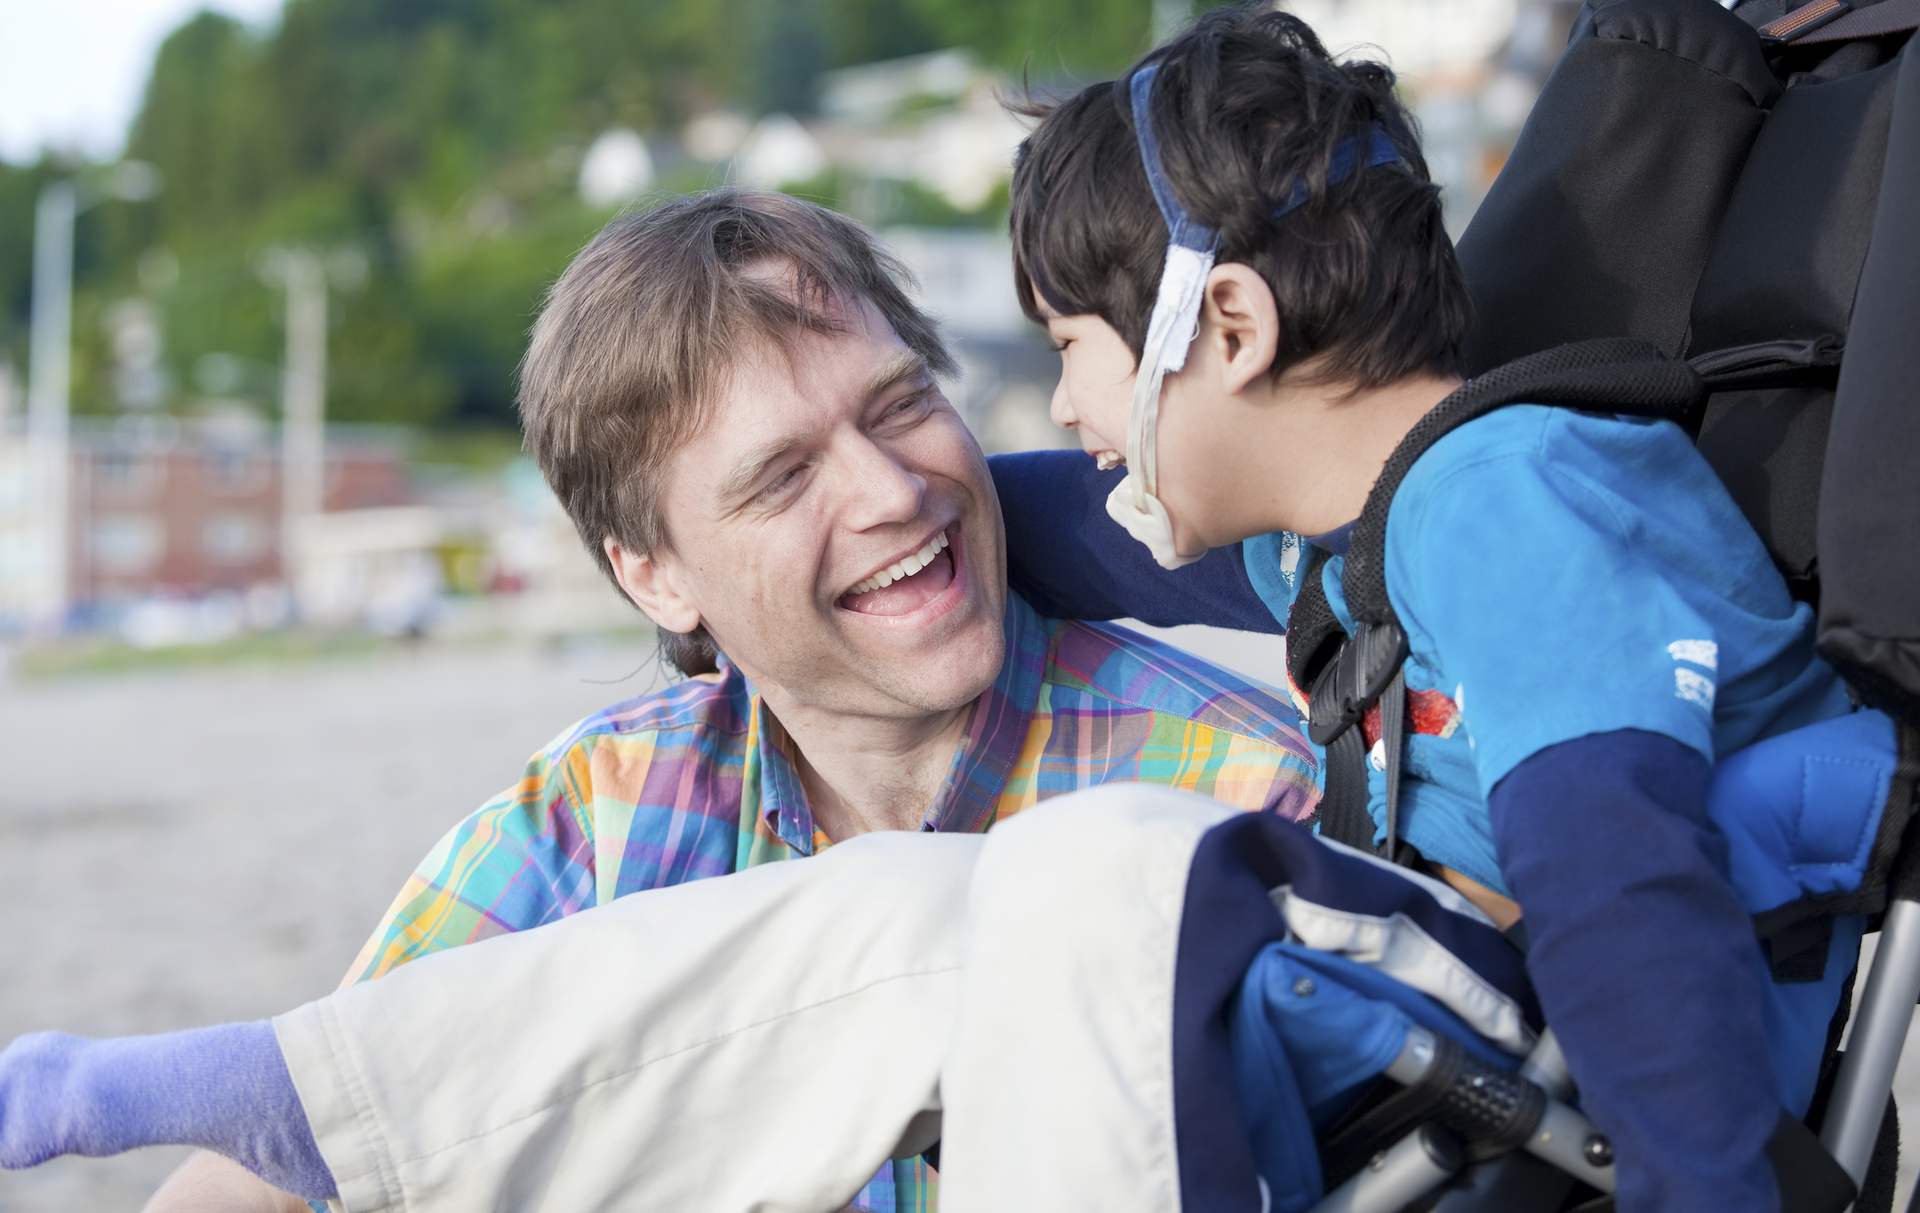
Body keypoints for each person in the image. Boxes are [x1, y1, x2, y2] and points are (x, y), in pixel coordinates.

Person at [115, 186, 1319, 1213]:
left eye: (900, 405)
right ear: (655, 574)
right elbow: (307, 1143)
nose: (892, 492)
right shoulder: (599, 819)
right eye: (783, 475)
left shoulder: (1242, 797)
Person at [998, 6, 1863, 1213]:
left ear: (1230, 327)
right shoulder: (1337, 548)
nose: (1059, 406)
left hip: (1529, 1028)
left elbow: (1617, 873)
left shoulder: (1502, 506)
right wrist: (869, 518)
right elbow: (1059, 530)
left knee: (1077, 876)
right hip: (1443, 1005)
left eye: (1066, 345)